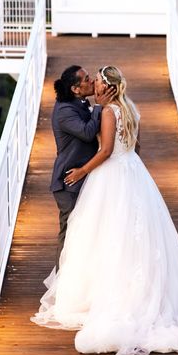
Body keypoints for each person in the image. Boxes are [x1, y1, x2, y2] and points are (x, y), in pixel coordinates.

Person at [32, 65, 178, 355]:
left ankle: (109, 296)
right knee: (122, 234)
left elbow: (107, 149)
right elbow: (135, 146)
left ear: (106, 87)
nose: (93, 84)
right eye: (89, 81)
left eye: (95, 81)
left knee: (108, 234)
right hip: (132, 171)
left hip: (111, 172)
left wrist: (84, 168)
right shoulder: (128, 108)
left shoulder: (109, 111)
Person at [50, 65, 115, 271]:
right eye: (87, 79)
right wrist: (99, 107)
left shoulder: (79, 102)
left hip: (85, 177)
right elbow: (87, 133)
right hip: (70, 181)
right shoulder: (64, 111)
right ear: (76, 89)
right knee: (70, 232)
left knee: (87, 231)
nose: (93, 82)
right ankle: (62, 281)